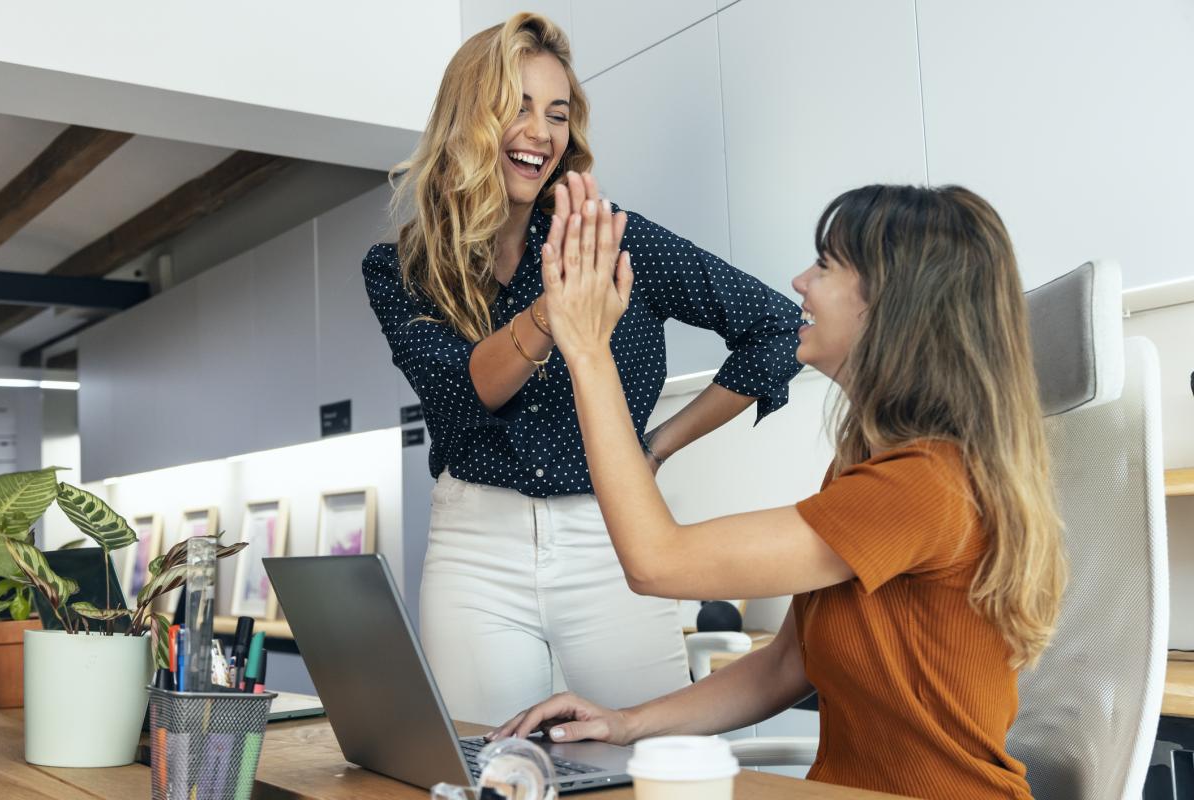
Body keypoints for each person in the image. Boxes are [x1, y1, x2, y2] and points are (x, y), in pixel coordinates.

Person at [491, 183, 1068, 800]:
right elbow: (786, 664)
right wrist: (625, 723)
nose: (799, 281)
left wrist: (587, 349)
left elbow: (656, 561)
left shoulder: (927, 485)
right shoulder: (870, 466)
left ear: (890, 300)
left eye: (825, 265)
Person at [361, 13, 805, 726]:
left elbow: (780, 329)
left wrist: (653, 447)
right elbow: (465, 389)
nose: (541, 131)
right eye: (518, 106)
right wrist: (551, 310)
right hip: (476, 551)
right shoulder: (403, 269)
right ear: (469, 117)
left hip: (615, 542)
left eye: (557, 113)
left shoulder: (615, 237)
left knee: (646, 759)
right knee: (492, 765)